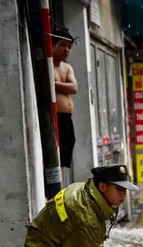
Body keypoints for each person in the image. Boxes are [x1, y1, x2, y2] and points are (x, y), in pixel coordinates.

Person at [52, 27, 78, 185]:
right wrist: (61, 85)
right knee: (57, 150)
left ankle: (61, 183)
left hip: (67, 117)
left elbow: (74, 88)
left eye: (69, 46)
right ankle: (54, 185)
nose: (66, 49)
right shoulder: (48, 64)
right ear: (53, 44)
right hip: (54, 117)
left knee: (68, 145)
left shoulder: (67, 67)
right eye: (62, 45)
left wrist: (55, 84)